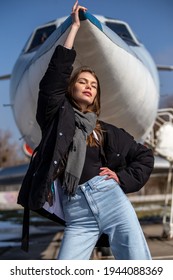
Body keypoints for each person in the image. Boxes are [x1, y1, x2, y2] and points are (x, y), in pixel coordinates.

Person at [18, 1, 154, 260]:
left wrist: (120, 178)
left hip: (110, 199)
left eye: (93, 84)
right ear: (71, 88)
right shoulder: (56, 119)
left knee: (138, 265)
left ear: (96, 95)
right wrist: (73, 30)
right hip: (77, 212)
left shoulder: (105, 131)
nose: (88, 86)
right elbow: (53, 81)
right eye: (82, 81)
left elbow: (144, 157)